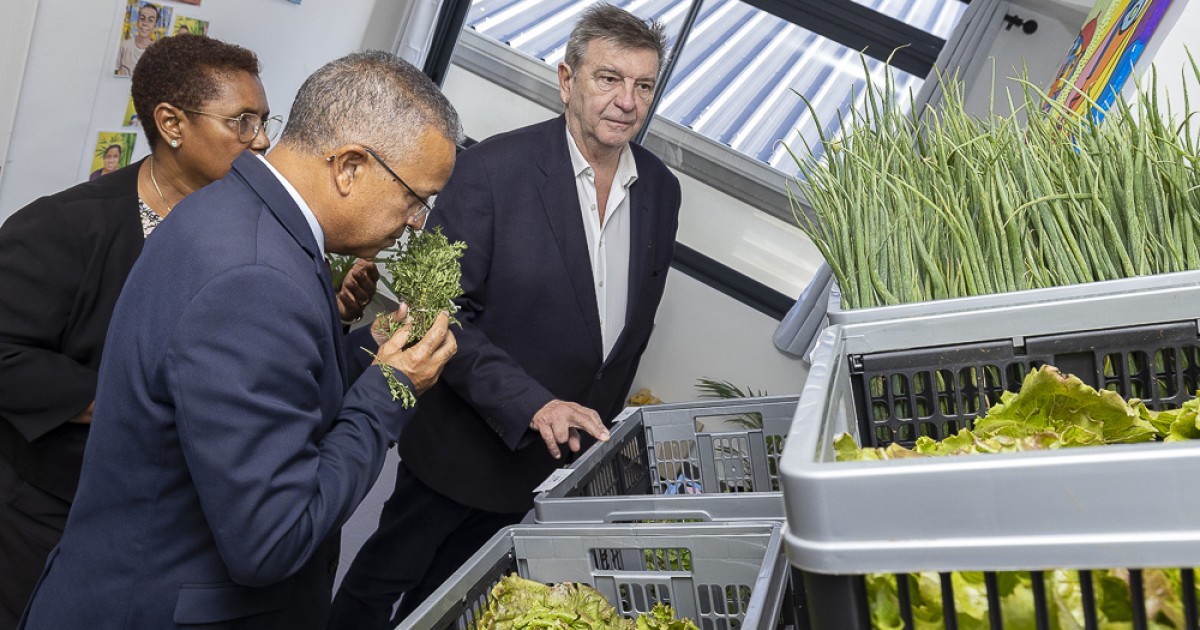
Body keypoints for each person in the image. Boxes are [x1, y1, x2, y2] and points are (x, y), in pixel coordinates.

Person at [17, 50, 460, 630]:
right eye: (415, 197)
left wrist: (371, 355)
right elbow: (273, 539)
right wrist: (390, 393)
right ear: (350, 166)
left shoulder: (235, 208)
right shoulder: (257, 277)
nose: (417, 221)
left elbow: (263, 396)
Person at [329, 5, 682, 628]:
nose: (627, 101)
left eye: (643, 85)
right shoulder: (490, 170)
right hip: (464, 445)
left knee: (464, 602)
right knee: (381, 585)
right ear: (567, 80)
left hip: (556, 461)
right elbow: (436, 311)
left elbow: (627, 328)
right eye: (608, 79)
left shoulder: (660, 188)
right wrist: (534, 405)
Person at [115, 3, 159, 76]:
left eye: (150, 20)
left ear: (155, 25)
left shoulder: (157, 52)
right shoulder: (124, 45)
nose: (145, 23)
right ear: (138, 21)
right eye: (142, 18)